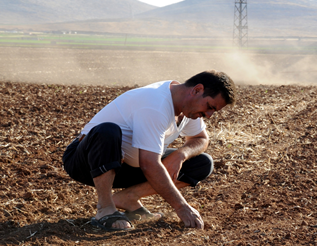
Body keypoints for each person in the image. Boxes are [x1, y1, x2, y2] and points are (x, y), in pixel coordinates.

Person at [62, 70, 236, 231]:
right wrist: (182, 207)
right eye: (210, 107)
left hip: (127, 165)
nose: (209, 115)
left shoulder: (188, 108)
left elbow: (201, 138)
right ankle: (105, 209)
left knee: (202, 163)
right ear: (197, 90)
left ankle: (128, 197)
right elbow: (149, 164)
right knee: (107, 131)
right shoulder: (155, 104)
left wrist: (181, 155)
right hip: (87, 161)